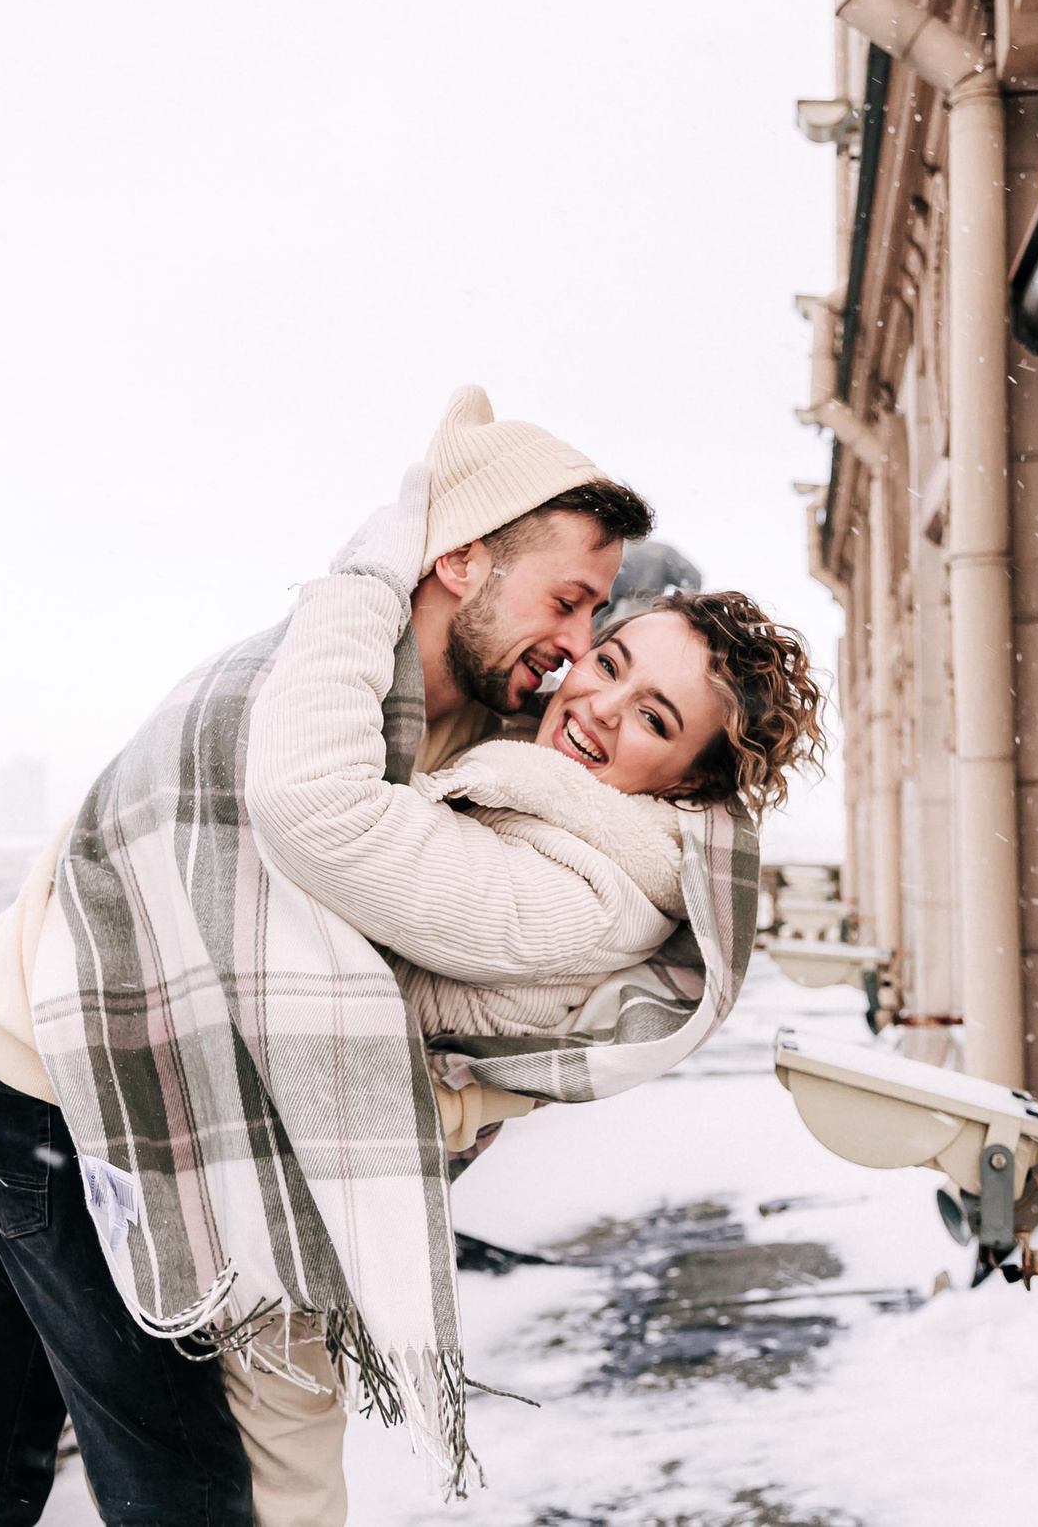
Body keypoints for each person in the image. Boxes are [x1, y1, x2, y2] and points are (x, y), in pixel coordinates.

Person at [0, 389, 652, 1527]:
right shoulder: (296, 697)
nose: (576, 643)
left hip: (64, 1067)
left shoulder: (475, 733)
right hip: (60, 1092)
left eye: (596, 610)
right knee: (188, 1489)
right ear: (459, 561)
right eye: (566, 599)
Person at [220, 580, 824, 1526]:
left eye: (653, 718)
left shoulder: (581, 890)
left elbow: (320, 814)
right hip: (269, 1180)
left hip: (273, 1212)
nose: (597, 706)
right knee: (0, 1456)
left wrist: (361, 583)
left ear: (687, 782)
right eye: (611, 664)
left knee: (251, 1495)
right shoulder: (549, 814)